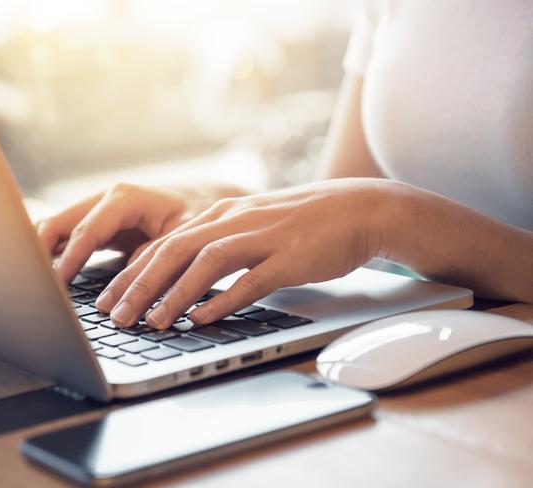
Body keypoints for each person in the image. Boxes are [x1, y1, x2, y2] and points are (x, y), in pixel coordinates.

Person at [38, 1, 533, 330]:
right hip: (432, 348)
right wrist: (222, 207)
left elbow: (368, 210)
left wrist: (390, 216)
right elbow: (338, 199)